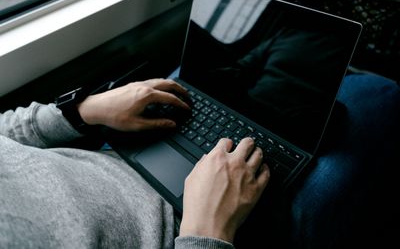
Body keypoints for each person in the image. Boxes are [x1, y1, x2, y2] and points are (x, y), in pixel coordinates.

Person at [1, 73, 399, 248]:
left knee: (208, 85)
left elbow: (8, 130)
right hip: (199, 228)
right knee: (377, 96)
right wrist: (208, 230)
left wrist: (84, 110)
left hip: (124, 152)